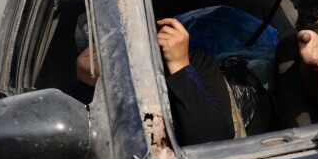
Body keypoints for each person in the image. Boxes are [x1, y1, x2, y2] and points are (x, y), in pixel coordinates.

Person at [72, 17, 235, 146]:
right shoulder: (89, 76)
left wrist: (179, 66)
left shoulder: (194, 64)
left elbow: (214, 141)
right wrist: (88, 87)